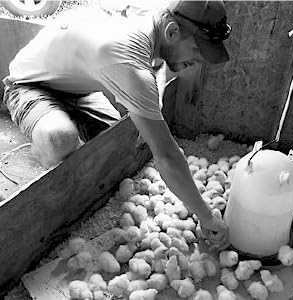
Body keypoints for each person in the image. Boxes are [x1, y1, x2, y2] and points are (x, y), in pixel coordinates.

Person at [2, 0, 231, 248]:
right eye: (197, 53)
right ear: (172, 32)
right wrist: (207, 217)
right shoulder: (127, 59)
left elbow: (156, 73)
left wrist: (156, 105)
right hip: (30, 85)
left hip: (79, 87)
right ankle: (44, 148)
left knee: (120, 146)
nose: (197, 63)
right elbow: (166, 155)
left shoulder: (153, 23)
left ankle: (66, 120)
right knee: (61, 140)